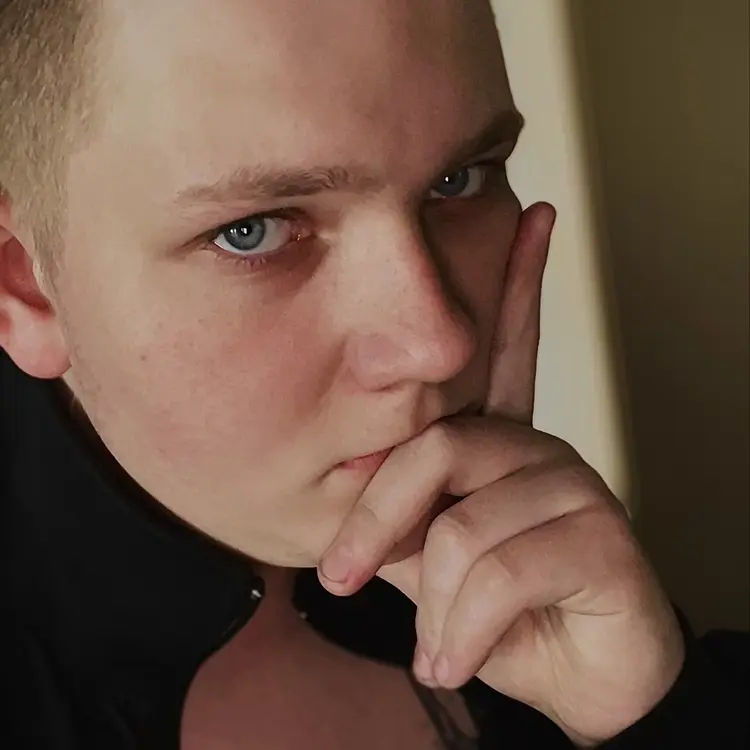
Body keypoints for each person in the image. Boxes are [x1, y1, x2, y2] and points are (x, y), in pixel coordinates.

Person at [1, 1, 747, 748]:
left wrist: (656, 719)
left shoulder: (576, 611)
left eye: (459, 180)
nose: (440, 345)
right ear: (26, 286)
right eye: (252, 232)